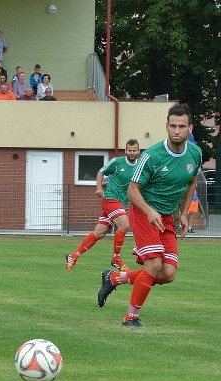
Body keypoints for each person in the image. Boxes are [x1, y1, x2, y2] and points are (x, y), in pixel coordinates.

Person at [97, 105, 202, 328]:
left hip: (167, 218)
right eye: (172, 125)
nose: (177, 130)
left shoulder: (195, 153)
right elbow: (132, 191)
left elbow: (192, 181)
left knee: (167, 274)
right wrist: (149, 211)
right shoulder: (152, 156)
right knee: (153, 266)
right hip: (144, 214)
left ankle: (115, 278)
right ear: (166, 127)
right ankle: (130, 317)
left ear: (189, 128)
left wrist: (183, 213)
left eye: (182, 126)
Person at [66, 139, 141, 272]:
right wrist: (99, 188)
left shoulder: (140, 165)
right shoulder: (117, 162)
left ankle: (73, 255)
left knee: (99, 233)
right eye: (129, 150)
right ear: (125, 151)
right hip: (110, 199)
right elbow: (101, 172)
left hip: (120, 202)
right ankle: (116, 258)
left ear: (138, 151)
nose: (132, 152)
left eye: (134, 150)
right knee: (124, 225)